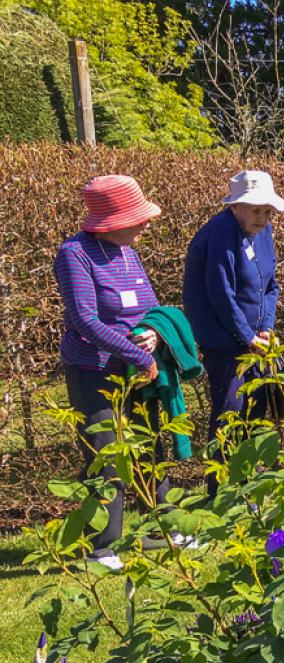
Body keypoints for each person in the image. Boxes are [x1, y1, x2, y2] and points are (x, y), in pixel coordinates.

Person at [54, 175, 166, 570]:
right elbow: (85, 320)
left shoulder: (127, 251)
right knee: (105, 456)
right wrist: (138, 355)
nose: (145, 224)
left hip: (135, 368)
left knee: (148, 447)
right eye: (138, 218)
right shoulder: (75, 254)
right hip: (94, 369)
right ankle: (100, 547)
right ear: (113, 220)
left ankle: (160, 531)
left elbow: (148, 304)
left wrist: (153, 333)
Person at [182, 170, 284, 498]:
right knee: (230, 412)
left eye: (267, 210)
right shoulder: (218, 233)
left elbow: (270, 286)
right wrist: (247, 337)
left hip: (255, 341)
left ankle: (246, 487)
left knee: (254, 413)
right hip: (225, 344)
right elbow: (220, 292)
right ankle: (220, 491)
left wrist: (266, 329)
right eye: (256, 209)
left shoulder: (263, 231)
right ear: (236, 207)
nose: (263, 217)